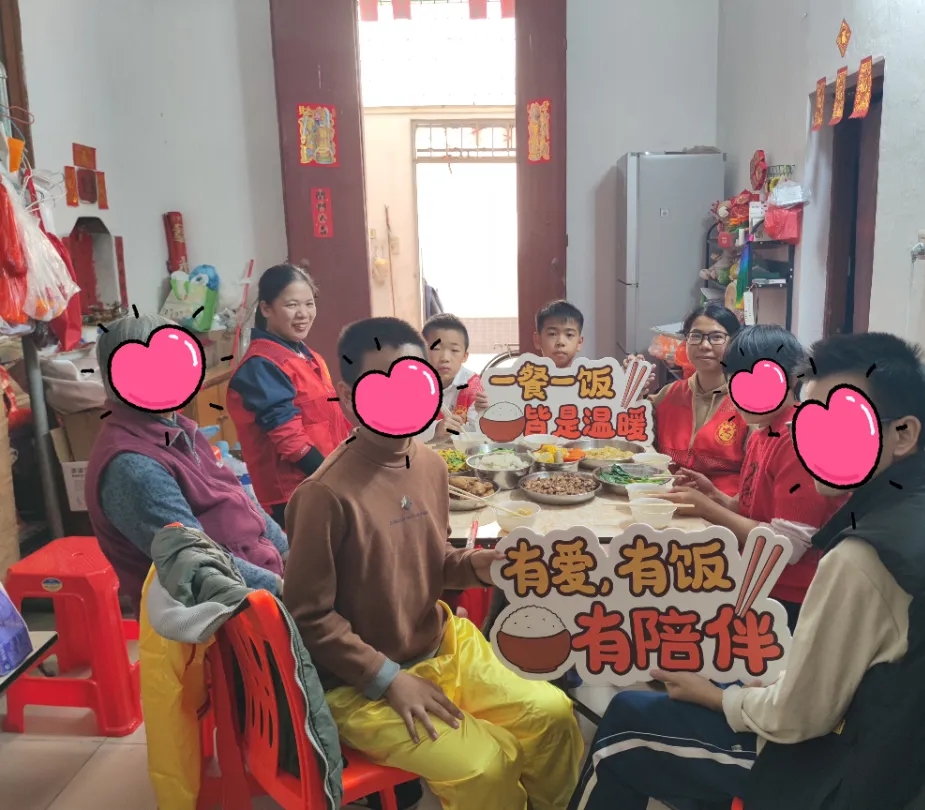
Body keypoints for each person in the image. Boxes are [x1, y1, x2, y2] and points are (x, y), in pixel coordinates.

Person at [570, 332, 925, 810]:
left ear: (904, 434)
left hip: (843, 776)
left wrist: (715, 698)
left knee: (625, 724)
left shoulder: (864, 559)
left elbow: (796, 718)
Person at [282, 316, 583, 810]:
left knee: (552, 714)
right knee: (486, 764)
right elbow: (308, 617)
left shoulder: (429, 464)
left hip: (439, 646)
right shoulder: (324, 494)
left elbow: (436, 559)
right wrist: (388, 679)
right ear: (348, 395)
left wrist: (483, 565)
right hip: (360, 683)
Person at [85, 313, 289, 616]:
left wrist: (288, 551)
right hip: (220, 614)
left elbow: (240, 498)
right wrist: (282, 587)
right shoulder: (132, 466)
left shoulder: (177, 427)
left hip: (263, 580)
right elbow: (199, 566)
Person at [658, 324, 839, 619]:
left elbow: (788, 546)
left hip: (790, 597)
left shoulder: (799, 439)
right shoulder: (762, 433)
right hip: (755, 576)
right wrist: (714, 496)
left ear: (792, 379)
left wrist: (709, 509)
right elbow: (752, 511)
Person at [227, 263, 352, 526]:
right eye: (292, 305)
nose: (303, 314)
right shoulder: (261, 365)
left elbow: (330, 419)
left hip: (324, 482)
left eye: (309, 304)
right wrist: (334, 480)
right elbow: (290, 441)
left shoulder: (307, 356)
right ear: (266, 309)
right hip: (293, 496)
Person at [650, 303, 748, 496]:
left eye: (716, 337)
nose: (704, 345)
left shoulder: (749, 404)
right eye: (695, 336)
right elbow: (633, 429)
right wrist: (631, 389)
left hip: (722, 508)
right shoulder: (669, 394)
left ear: (734, 342)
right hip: (667, 501)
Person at [418, 313, 489, 443]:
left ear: (464, 356)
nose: (445, 358)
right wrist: (436, 428)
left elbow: (476, 434)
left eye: (454, 350)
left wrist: (483, 414)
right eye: (436, 348)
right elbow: (402, 428)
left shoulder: (473, 385)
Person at [533, 299, 585, 368]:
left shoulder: (589, 374)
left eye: (569, 335)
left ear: (579, 343)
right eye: (552, 334)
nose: (560, 342)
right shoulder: (526, 374)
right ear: (538, 340)